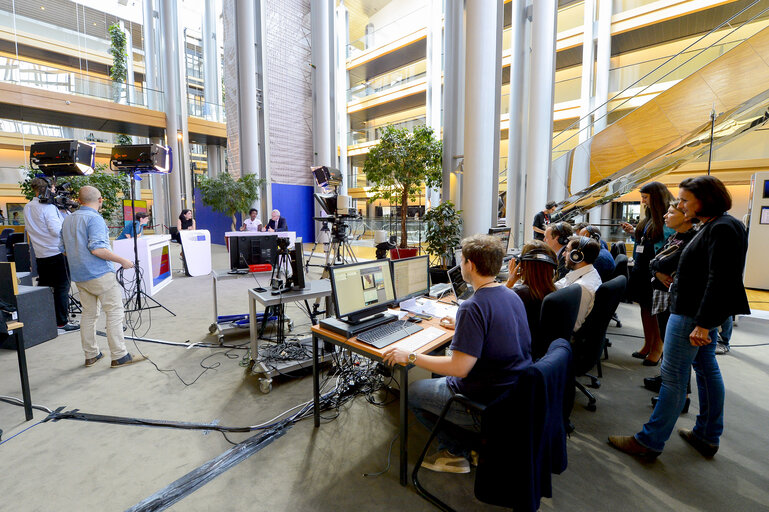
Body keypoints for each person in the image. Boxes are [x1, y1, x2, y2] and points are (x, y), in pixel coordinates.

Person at [609, 176, 750, 459]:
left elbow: (719, 279)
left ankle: (649, 442)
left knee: (673, 378)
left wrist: (703, 323)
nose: (681, 205)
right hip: (695, 313)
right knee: (706, 370)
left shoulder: (722, 228)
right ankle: (706, 434)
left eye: (685, 200)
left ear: (705, 199)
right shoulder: (715, 225)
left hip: (691, 316)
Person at [383, 234, 532, 473]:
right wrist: (463, 326)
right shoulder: (510, 294)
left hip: (482, 402)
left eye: (461, 261)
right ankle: (471, 444)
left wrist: (409, 356)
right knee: (432, 380)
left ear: (470, 265)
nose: (460, 265)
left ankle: (455, 452)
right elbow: (494, 329)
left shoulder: (473, 306)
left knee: (412, 392)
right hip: (510, 394)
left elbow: (458, 368)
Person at [59, 186, 146, 368]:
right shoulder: (94, 219)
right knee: (114, 312)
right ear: (100, 200)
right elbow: (97, 248)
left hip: (79, 276)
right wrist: (123, 261)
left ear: (80, 200)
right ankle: (120, 355)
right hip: (99, 274)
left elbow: (64, 250)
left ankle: (91, 355)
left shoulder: (67, 220)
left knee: (89, 315)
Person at [643, 203, 697, 410]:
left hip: (674, 299)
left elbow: (663, 262)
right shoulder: (675, 236)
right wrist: (656, 271)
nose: (665, 215)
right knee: (668, 342)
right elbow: (654, 262)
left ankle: (681, 397)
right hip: (663, 294)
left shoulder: (690, 239)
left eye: (671, 212)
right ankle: (666, 381)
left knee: (677, 350)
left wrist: (657, 267)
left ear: (685, 216)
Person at [621, 181, 674, 366]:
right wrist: (633, 232)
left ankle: (657, 347)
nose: (643, 202)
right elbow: (644, 241)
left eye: (645, 197)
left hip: (656, 272)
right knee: (644, 308)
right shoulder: (649, 217)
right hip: (642, 269)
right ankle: (648, 343)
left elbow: (669, 245)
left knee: (656, 311)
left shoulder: (668, 217)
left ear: (656, 197)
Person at [23, 178, 78, 332]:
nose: (54, 192)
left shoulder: (28, 207)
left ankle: (45, 319)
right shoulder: (48, 208)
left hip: (40, 254)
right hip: (57, 253)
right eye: (53, 189)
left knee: (45, 287)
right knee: (62, 287)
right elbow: (56, 231)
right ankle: (61, 322)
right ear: (47, 189)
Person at [505, 240, 557, 358]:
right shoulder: (555, 291)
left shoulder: (517, 294)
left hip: (519, 356)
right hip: (541, 354)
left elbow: (492, 310)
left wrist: (509, 283)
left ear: (521, 265)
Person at [555, 236, 602, 331]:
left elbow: (574, 326)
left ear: (576, 256)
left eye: (567, 250)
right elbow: (559, 286)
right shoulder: (585, 271)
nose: (563, 254)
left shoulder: (582, 288)